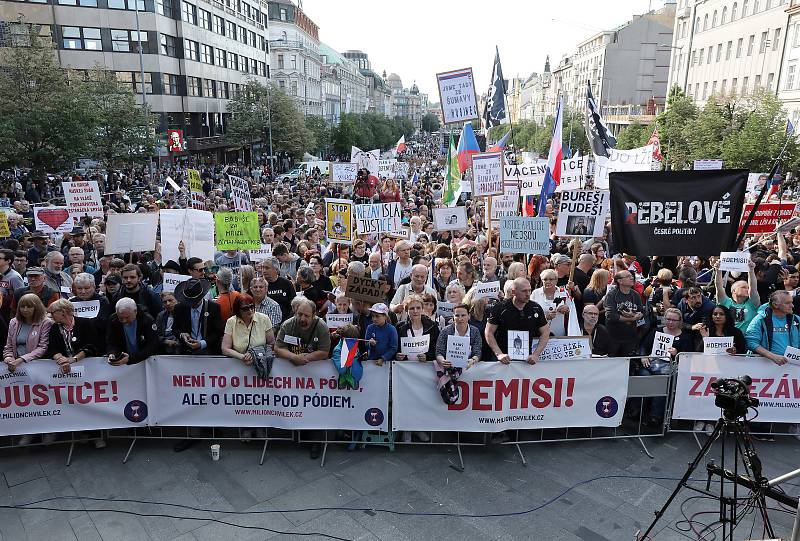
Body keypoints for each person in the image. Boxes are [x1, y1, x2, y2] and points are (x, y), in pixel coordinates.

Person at [273, 297, 331, 459]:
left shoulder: (321, 327)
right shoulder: (288, 325)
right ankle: (299, 435)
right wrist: (293, 357)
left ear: (314, 315)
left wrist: (306, 358)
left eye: (306, 315)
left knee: (314, 406)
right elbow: (278, 348)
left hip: (315, 377)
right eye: (299, 314)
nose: (302, 318)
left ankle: (316, 442)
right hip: (292, 375)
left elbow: (324, 352)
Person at [4, 293, 53, 446]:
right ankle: (29, 432)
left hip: (38, 368)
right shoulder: (13, 322)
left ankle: (51, 431)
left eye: (29, 306)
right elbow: (8, 347)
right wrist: (9, 359)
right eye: (22, 306)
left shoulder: (46, 323)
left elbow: (43, 347)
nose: (25, 310)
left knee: (45, 402)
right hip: (18, 369)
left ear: (36, 307)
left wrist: (22, 359)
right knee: (26, 404)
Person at [485, 277, 551, 365]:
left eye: (529, 290)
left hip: (526, 360)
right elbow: (489, 332)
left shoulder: (536, 308)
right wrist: (499, 354)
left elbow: (545, 332)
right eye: (524, 291)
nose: (528, 294)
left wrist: (536, 354)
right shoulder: (500, 308)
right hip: (503, 360)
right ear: (513, 292)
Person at [172, 278, 224, 355]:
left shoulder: (213, 308)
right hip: (186, 352)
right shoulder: (179, 308)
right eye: (189, 301)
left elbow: (218, 332)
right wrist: (182, 335)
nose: (192, 304)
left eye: (195, 301)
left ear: (201, 296)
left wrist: (202, 343)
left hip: (208, 351)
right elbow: (175, 328)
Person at [221, 293, 275, 364]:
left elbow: (271, 344)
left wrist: (255, 353)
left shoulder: (264, 319)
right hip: (238, 363)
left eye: (252, 307)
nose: (250, 310)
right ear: (238, 310)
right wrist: (243, 357)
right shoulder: (231, 322)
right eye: (245, 308)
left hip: (261, 362)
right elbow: (225, 349)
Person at [604, 270, 646, 357]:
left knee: (628, 363)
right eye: (628, 276)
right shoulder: (612, 295)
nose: (632, 278)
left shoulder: (635, 295)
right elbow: (611, 315)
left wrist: (638, 315)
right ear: (620, 281)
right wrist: (631, 319)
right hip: (614, 337)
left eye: (631, 276)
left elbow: (642, 311)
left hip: (631, 336)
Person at [106, 297, 158, 366]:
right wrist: (112, 354)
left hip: (145, 361)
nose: (124, 321)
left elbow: (152, 345)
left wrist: (131, 358)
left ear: (135, 311)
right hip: (123, 361)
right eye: (120, 318)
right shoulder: (113, 320)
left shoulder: (147, 320)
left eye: (127, 317)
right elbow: (111, 342)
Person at [715, 260, 760, 333]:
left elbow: (753, 288)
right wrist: (718, 270)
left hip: (748, 340)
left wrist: (751, 270)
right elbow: (719, 287)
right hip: (729, 339)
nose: (747, 290)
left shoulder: (752, 303)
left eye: (748, 288)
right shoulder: (725, 302)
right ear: (734, 291)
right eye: (743, 287)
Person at [395, 295, 439, 363]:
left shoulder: (432, 326)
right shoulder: (399, 327)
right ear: (406, 310)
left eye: (418, 308)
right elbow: (394, 347)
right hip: (404, 368)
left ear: (422, 309)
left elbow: (437, 349)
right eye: (412, 308)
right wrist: (397, 355)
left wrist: (427, 356)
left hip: (427, 368)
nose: (415, 311)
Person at [530, 269, 571, 337]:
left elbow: (571, 311)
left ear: (556, 280)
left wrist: (567, 309)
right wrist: (545, 317)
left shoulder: (563, 292)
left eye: (551, 279)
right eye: (545, 279)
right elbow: (531, 314)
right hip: (540, 334)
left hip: (560, 334)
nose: (548, 282)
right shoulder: (535, 293)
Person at [261, 256, 295, 323]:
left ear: (276, 269)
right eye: (262, 267)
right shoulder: (259, 284)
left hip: (285, 321)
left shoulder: (286, 283)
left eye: (267, 268)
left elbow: (293, 305)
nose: (264, 271)